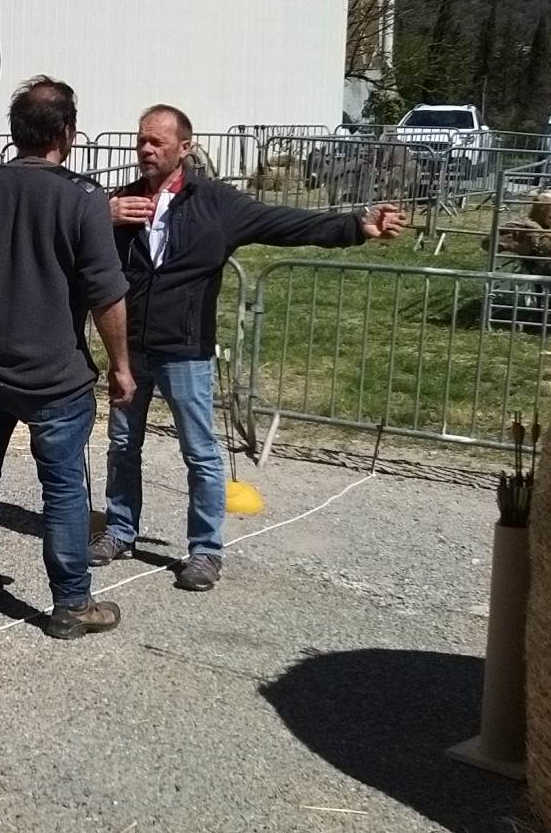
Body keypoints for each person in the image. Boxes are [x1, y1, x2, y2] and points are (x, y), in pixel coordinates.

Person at [89, 105, 406, 590]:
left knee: (200, 452)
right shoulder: (121, 202)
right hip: (129, 349)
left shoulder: (216, 203)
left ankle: (205, 551)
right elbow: (72, 229)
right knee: (122, 443)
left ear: (185, 148)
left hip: (186, 349)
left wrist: (355, 226)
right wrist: (103, 213)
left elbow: (287, 223)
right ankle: (119, 530)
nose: (146, 150)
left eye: (157, 142)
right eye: (141, 141)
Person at [0, 76, 135, 640]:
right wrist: (121, 365)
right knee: (64, 486)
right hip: (55, 374)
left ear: (16, 132)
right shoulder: (84, 197)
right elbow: (106, 293)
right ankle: (70, 602)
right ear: (66, 133)